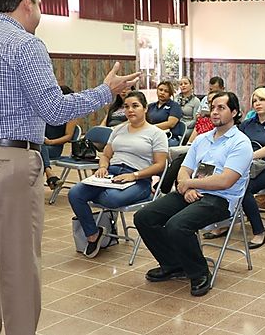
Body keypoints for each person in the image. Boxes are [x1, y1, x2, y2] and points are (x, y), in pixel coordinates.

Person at [0, 0, 138, 335]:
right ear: (27, 2)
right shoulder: (25, 44)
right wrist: (105, 91)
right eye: (41, 3)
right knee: (17, 264)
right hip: (6, 164)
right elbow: (55, 110)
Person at [133, 92, 253, 297]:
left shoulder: (240, 143)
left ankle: (199, 273)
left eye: (221, 108)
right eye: (213, 107)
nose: (214, 112)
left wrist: (189, 183)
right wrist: (187, 187)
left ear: (234, 112)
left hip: (221, 198)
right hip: (192, 191)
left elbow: (225, 180)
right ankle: (173, 264)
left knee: (177, 225)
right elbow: (184, 168)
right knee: (144, 217)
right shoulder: (202, 139)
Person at [67, 91, 168, 258]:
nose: (130, 110)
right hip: (112, 174)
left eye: (135, 106)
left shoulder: (156, 133)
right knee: (75, 193)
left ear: (145, 108)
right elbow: (106, 155)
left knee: (111, 200)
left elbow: (160, 165)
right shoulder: (118, 130)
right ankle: (93, 234)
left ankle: (106, 219)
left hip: (139, 179)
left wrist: (134, 175)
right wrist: (103, 167)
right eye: (126, 107)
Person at [204, 87, 265, 248]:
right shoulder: (248, 124)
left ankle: (258, 231)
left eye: (261, 100)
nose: (257, 103)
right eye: (255, 100)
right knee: (218, 180)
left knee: (243, 187)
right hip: (244, 167)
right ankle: (223, 223)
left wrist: (249, 155)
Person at [41, 85, 77, 190]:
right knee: (36, 147)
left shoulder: (71, 114)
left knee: (37, 149)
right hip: (43, 144)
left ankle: (48, 173)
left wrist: (51, 142)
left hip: (55, 147)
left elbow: (68, 136)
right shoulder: (48, 112)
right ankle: (49, 174)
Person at [146, 80, 183, 146]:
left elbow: (170, 124)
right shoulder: (151, 106)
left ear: (170, 94)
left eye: (166, 91)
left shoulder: (174, 106)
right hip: (151, 136)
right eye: (160, 90)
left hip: (169, 137)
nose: (162, 93)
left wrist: (150, 128)